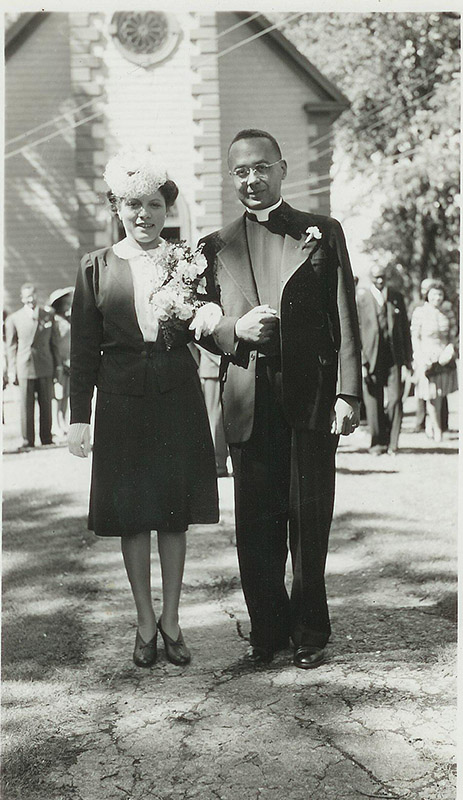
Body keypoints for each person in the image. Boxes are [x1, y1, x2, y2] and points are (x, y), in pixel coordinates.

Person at [200, 129, 362, 669]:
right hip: (248, 400)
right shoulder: (213, 246)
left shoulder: (322, 232)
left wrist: (348, 391)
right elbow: (196, 323)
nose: (252, 179)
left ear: (282, 168)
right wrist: (232, 330)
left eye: (262, 167)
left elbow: (345, 318)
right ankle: (268, 632)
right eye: (241, 171)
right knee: (256, 524)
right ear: (232, 177)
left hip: (312, 397)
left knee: (309, 518)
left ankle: (311, 631)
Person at [68, 148, 220, 668]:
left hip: (176, 394)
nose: (143, 215)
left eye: (154, 204)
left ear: (167, 208)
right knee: (133, 516)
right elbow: (83, 350)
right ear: (116, 206)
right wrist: (77, 418)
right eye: (132, 204)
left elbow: (206, 321)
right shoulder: (97, 267)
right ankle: (143, 621)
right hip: (121, 401)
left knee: (173, 514)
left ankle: (172, 619)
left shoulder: (186, 260)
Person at [356, 265, 412, 454]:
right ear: (371, 278)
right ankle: (377, 443)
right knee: (373, 400)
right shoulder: (361, 298)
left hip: (394, 357)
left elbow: (405, 329)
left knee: (396, 398)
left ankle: (393, 443)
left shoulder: (396, 297)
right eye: (376, 277)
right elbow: (356, 331)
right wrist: (361, 361)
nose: (380, 281)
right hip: (371, 357)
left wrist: (408, 361)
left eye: (382, 277)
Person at [5, 283, 60, 450]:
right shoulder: (14, 319)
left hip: (45, 364)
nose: (30, 300)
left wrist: (57, 366)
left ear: (37, 296)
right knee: (26, 406)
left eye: (33, 296)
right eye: (27, 297)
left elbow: (54, 343)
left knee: (46, 403)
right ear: (22, 299)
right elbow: (11, 347)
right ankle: (27, 440)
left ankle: (46, 438)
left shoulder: (47, 315)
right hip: (24, 366)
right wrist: (12, 370)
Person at [411, 280, 458, 442]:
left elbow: (453, 334)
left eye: (440, 294)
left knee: (440, 394)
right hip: (427, 357)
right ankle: (437, 429)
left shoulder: (448, 312)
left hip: (443, 357)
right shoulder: (420, 312)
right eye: (433, 295)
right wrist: (420, 356)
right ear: (427, 296)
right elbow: (415, 337)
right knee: (430, 394)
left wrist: (450, 348)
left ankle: (432, 423)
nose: (437, 298)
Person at [48, 287, 74, 435]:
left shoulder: (68, 320)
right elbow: (55, 345)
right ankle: (55, 424)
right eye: (65, 303)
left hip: (70, 362)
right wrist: (62, 362)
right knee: (57, 395)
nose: (68, 305)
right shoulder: (55, 322)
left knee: (66, 395)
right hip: (59, 364)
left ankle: (63, 421)